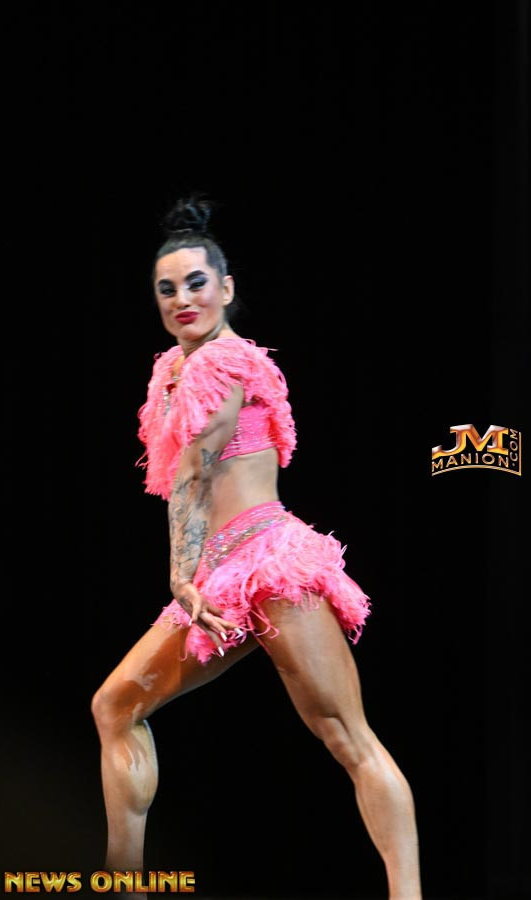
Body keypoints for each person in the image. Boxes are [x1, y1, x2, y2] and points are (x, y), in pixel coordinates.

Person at [91, 195, 422, 899]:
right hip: (217, 577)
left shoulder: (226, 361)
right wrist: (194, 576)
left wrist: (180, 576)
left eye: (197, 283)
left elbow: (194, 468)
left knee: (347, 737)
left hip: (267, 562)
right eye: (167, 289)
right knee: (115, 705)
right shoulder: (171, 371)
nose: (183, 299)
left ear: (227, 287)